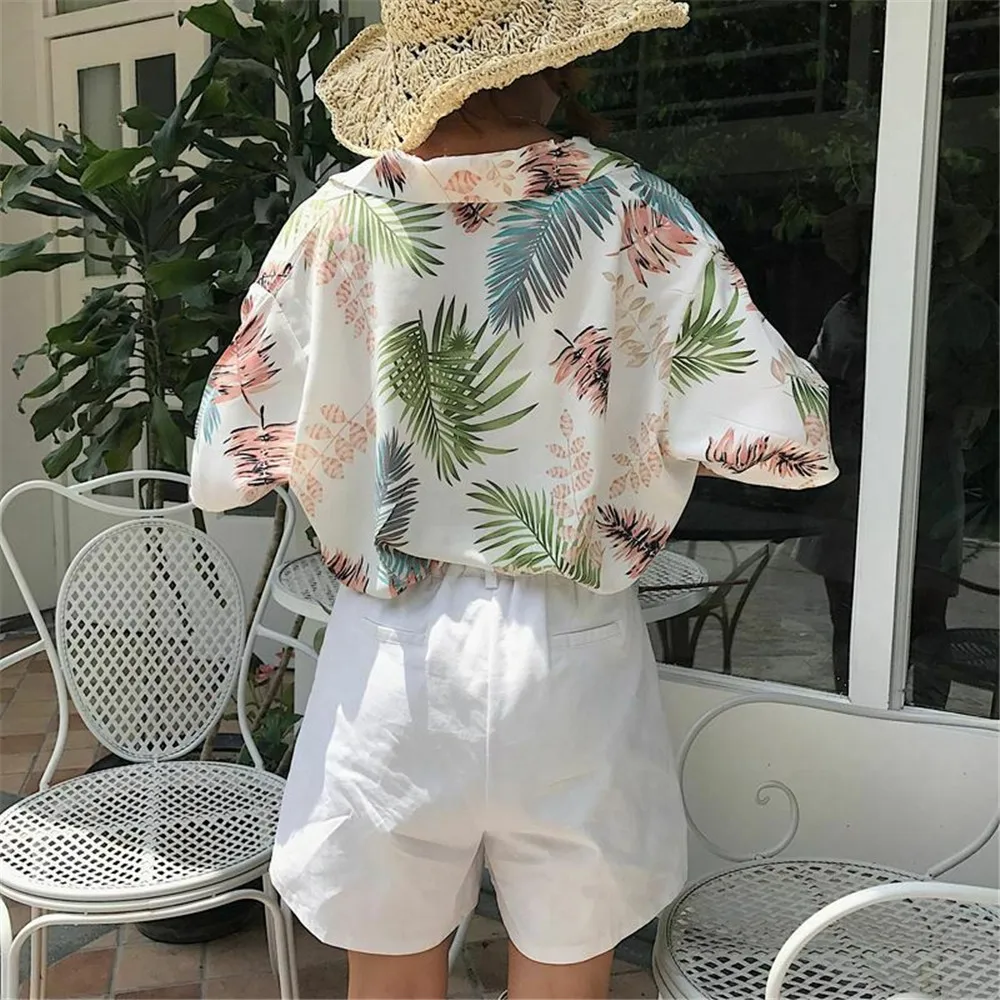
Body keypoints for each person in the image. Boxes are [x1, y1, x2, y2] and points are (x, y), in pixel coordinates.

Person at [190, 2, 837, 996]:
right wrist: (624, 439)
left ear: (414, 77)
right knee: (566, 968)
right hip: (570, 649)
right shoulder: (632, 210)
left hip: (392, 655)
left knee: (389, 979)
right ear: (552, 61)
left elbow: (228, 455)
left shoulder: (336, 222)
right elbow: (787, 434)